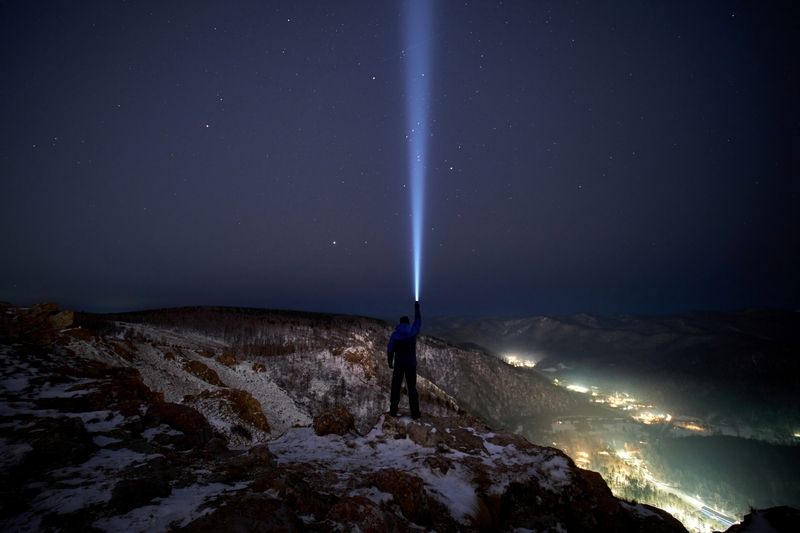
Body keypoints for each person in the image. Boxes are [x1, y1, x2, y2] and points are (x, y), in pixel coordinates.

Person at [387, 301, 422, 419]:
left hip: (399, 364)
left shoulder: (395, 335)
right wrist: (417, 308)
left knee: (396, 387)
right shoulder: (413, 332)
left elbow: (390, 349)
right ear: (408, 322)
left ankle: (393, 411)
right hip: (411, 364)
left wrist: (390, 362)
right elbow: (418, 321)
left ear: (400, 323)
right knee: (412, 388)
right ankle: (416, 414)